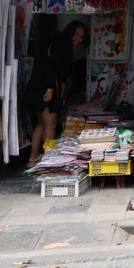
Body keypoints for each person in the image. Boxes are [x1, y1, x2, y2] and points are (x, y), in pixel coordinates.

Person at [26, 21, 87, 167]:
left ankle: (33, 158)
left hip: (37, 87)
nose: (78, 37)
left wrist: (61, 82)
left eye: (81, 35)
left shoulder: (56, 42)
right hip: (45, 89)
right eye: (76, 33)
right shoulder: (63, 45)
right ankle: (49, 159)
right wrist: (51, 87)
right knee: (50, 124)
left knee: (41, 124)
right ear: (70, 31)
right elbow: (52, 65)